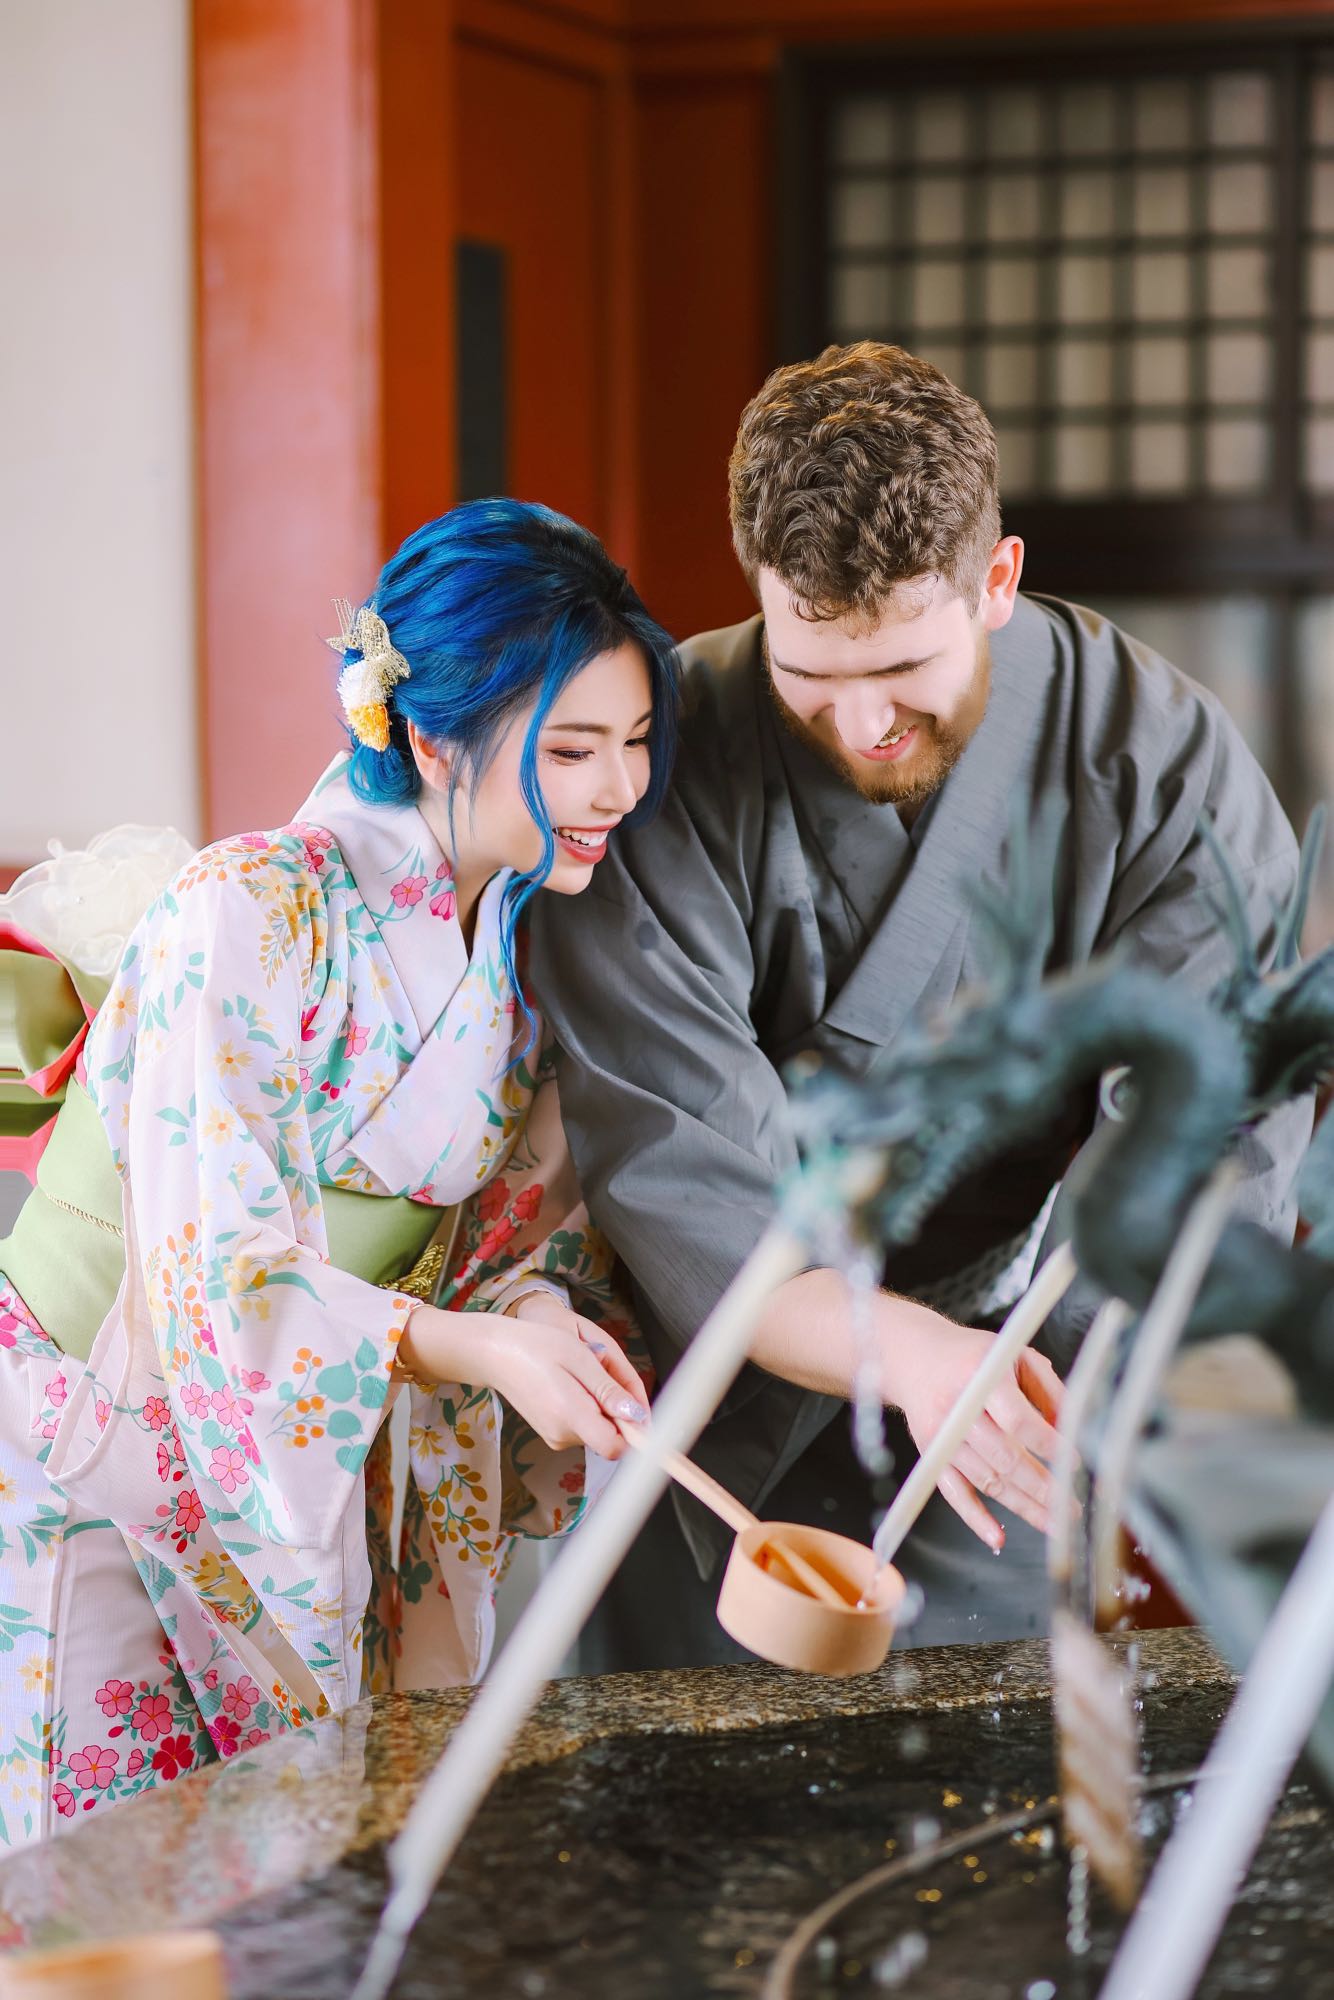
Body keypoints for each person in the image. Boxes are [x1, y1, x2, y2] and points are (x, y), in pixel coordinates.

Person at [528, 342, 1312, 1672]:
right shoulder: (663, 759)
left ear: (994, 580)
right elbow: (680, 1167)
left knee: (964, 1780)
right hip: (725, 1367)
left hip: (1020, 1361)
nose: (861, 722)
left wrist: (1026, 1389)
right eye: (810, 672)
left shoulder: (1157, 759)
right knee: (664, 1780)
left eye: (903, 668)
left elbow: (1206, 1116)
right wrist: (889, 1344)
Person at [0, 499, 677, 1848]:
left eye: (638, 744)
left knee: (275, 1888)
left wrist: (534, 1315)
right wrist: (464, 1347)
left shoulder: (511, 956)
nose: (620, 789)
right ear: (430, 735)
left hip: (288, 1431)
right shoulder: (248, 907)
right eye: (573, 750)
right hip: (96, 1432)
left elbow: (493, 1235)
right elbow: (213, 1271)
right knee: (104, 1889)